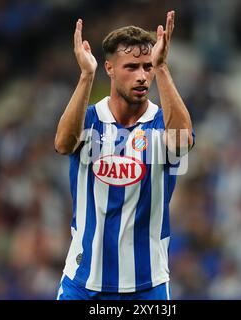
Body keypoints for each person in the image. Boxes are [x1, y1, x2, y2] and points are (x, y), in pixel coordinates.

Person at [54, 10, 194, 300]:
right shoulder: (90, 119)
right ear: (109, 68)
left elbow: (182, 142)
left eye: (147, 67)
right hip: (83, 282)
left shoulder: (160, 124)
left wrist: (163, 68)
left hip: (147, 286)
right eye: (131, 67)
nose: (142, 76)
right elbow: (63, 144)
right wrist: (85, 75)